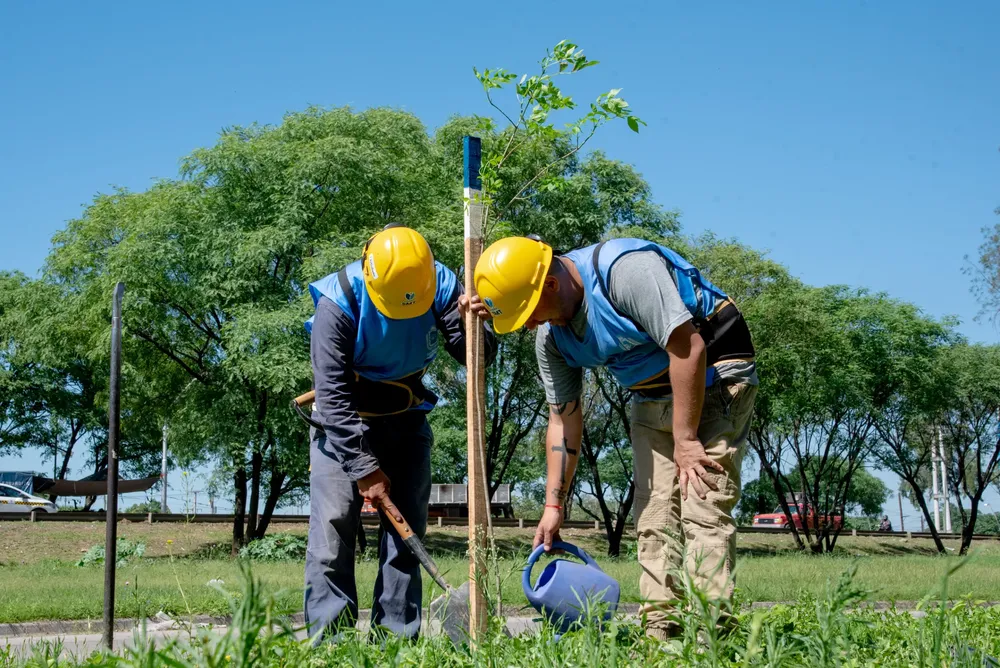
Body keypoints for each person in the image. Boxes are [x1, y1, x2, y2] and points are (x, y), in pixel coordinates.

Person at [464, 235, 757, 640]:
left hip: (713, 371)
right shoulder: (551, 338)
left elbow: (688, 348)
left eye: (530, 312)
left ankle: (713, 637)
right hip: (651, 394)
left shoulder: (624, 272)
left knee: (701, 504)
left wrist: (687, 440)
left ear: (551, 283)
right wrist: (554, 504)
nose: (531, 324)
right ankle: (662, 633)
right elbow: (563, 419)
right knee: (654, 515)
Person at [304, 224, 495, 641]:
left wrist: (477, 326)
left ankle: (394, 641)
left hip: (406, 419)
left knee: (406, 537)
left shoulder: (442, 285)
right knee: (332, 533)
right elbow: (333, 395)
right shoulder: (339, 301)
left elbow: (477, 362)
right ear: (371, 278)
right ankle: (329, 645)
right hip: (344, 425)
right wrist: (364, 468)